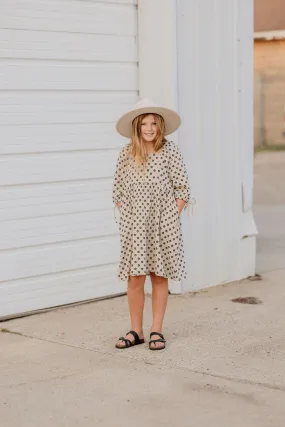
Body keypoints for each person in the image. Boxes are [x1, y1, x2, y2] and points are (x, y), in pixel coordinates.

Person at [112, 99, 191, 350]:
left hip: (163, 224)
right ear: (137, 127)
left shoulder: (169, 151)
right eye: (144, 123)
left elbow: (182, 188)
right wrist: (131, 218)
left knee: (159, 275)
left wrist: (171, 215)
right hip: (136, 226)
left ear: (160, 127)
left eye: (154, 123)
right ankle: (137, 330)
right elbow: (118, 192)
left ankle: (157, 329)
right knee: (135, 278)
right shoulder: (126, 154)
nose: (149, 128)